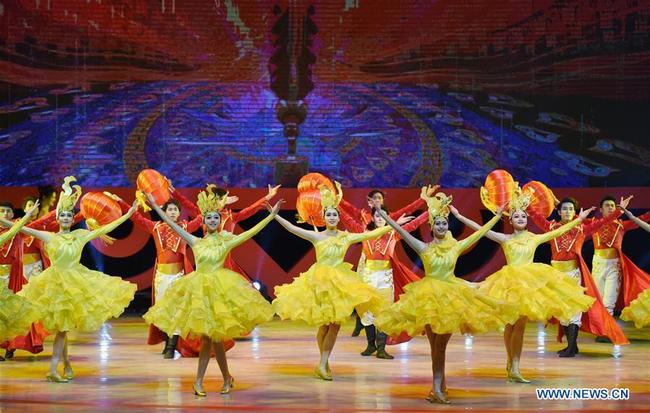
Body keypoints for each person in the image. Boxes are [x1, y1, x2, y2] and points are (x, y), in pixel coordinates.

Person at [143, 187, 279, 395]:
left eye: (216, 218)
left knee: (215, 340)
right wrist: (154, 205)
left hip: (219, 294)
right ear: (204, 222)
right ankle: (205, 381)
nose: (213, 220)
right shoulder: (194, 240)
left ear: (219, 220)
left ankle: (220, 379)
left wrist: (271, 216)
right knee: (209, 339)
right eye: (209, 218)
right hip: (199, 293)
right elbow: (170, 223)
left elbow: (252, 232)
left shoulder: (227, 241)